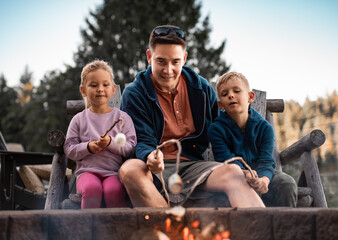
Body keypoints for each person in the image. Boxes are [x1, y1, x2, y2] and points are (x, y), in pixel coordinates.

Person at [119, 25, 265, 208]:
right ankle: (172, 230)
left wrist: (247, 164)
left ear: (185, 59)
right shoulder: (135, 93)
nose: (168, 70)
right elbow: (140, 138)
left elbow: (223, 126)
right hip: (154, 168)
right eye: (161, 61)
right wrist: (149, 156)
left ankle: (262, 230)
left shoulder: (201, 89)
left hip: (193, 165)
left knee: (235, 173)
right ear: (149, 57)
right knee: (130, 170)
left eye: (175, 62)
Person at [208, 71, 297, 207]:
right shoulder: (216, 130)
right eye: (225, 94)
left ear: (250, 97)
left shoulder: (264, 128)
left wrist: (264, 181)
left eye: (236, 91)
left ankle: (284, 226)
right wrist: (245, 174)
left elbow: (267, 160)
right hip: (234, 177)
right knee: (224, 193)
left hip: (263, 175)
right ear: (221, 105)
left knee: (287, 183)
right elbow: (225, 160)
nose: (231, 95)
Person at [64, 60, 137, 209]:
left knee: (114, 190)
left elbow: (131, 147)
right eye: (93, 85)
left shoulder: (122, 118)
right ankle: (89, 229)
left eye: (105, 85)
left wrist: (111, 142)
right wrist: (89, 147)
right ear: (83, 90)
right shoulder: (79, 119)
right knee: (92, 190)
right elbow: (69, 148)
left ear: (113, 89)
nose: (100, 89)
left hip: (114, 173)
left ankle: (116, 229)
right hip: (87, 173)